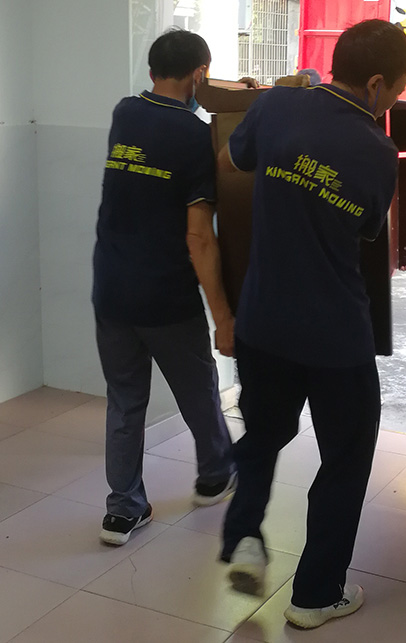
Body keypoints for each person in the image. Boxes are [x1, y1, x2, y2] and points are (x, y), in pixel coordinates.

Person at [218, 19, 406, 629]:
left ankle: (244, 535)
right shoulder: (378, 151)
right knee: (346, 459)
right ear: (376, 83)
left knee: (263, 433)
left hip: (262, 322)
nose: (395, 100)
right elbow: (367, 229)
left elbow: (230, 159)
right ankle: (315, 594)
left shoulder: (278, 104)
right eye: (398, 89)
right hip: (335, 336)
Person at [92, 28, 237, 547]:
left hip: (111, 290)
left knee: (124, 402)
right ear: (200, 74)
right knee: (198, 390)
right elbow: (199, 238)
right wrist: (223, 316)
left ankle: (122, 510)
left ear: (152, 71)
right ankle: (215, 476)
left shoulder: (125, 113)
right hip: (166, 296)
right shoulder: (197, 137)